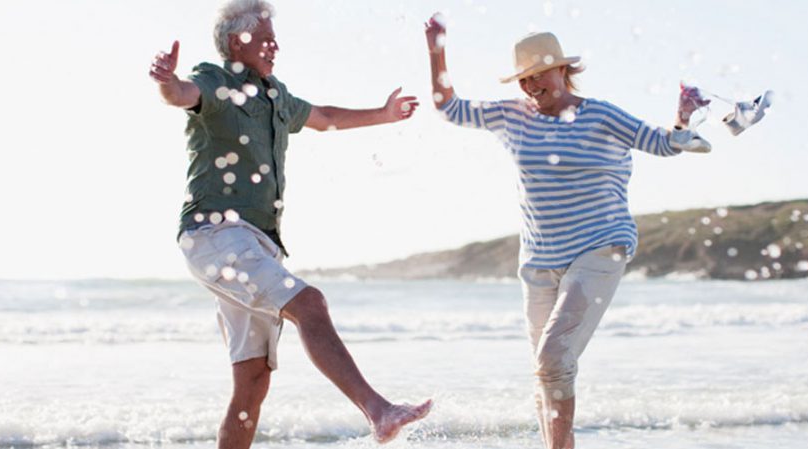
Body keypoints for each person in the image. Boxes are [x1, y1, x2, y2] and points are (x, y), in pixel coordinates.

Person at [148, 1, 431, 447]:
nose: (274, 44)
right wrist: (167, 82)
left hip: (257, 243)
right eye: (264, 36)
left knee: (253, 380)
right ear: (238, 41)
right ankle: (378, 410)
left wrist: (384, 113)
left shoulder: (276, 97)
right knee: (310, 303)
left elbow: (325, 118)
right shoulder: (216, 81)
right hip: (215, 235)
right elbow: (183, 94)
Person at [424, 15, 708, 449]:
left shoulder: (601, 115)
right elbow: (449, 107)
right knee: (545, 371)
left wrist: (682, 118)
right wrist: (436, 48)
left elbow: (663, 143)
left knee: (553, 359)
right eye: (524, 78)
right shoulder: (513, 116)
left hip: (600, 248)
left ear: (563, 70)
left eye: (540, 75)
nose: (532, 86)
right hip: (539, 264)